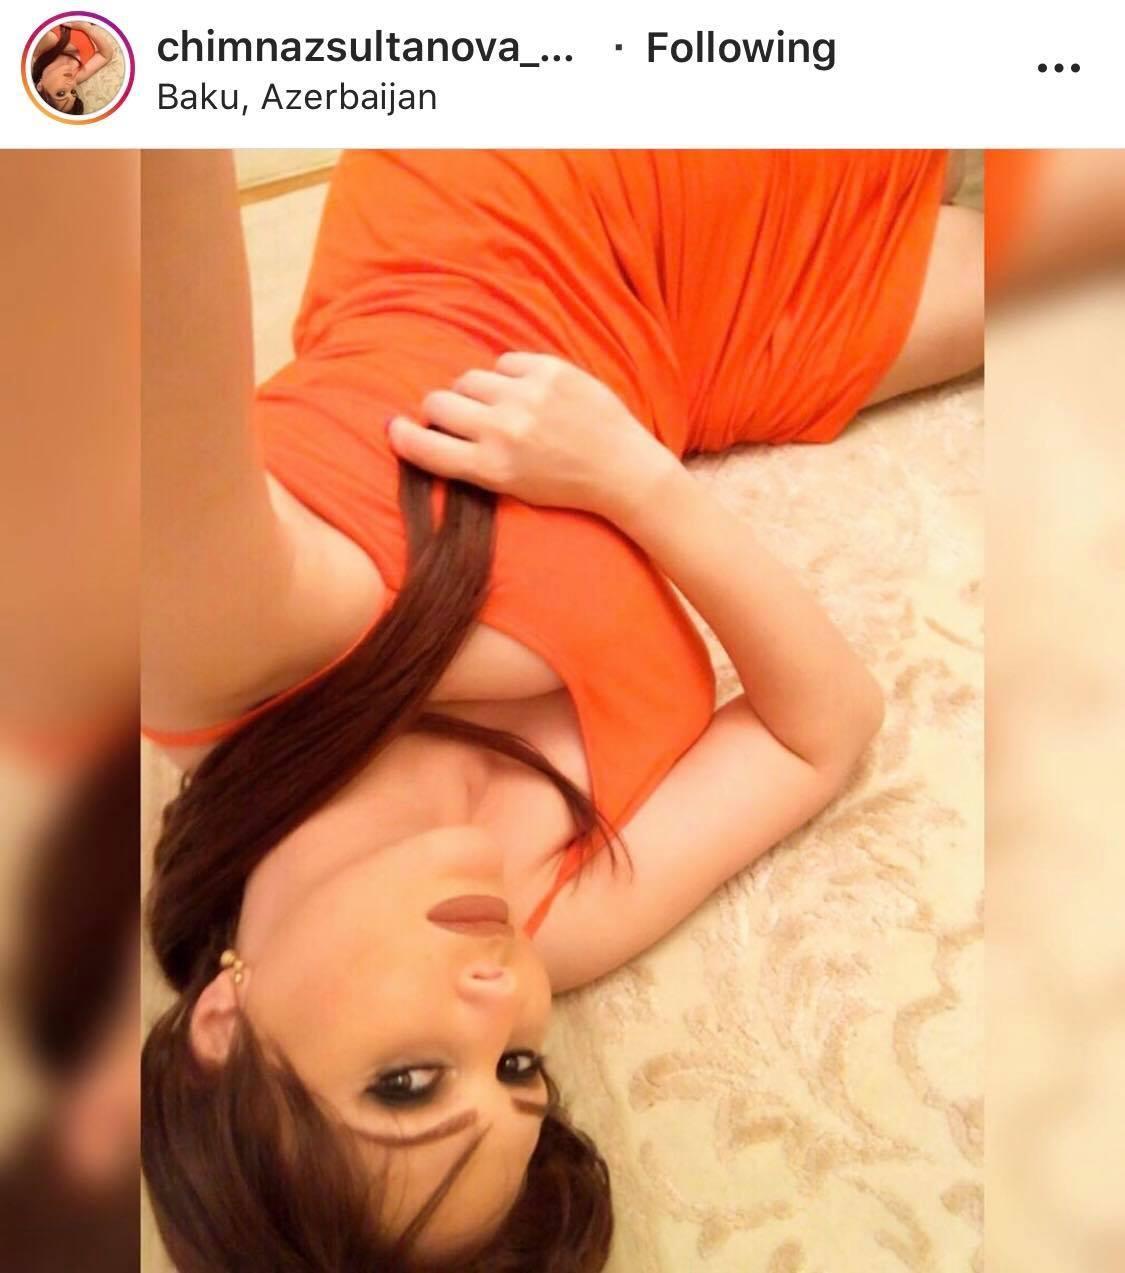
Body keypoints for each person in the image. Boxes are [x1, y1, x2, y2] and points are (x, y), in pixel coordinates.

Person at [141, 150, 983, 1270]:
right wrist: (631, 477)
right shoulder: (548, 914)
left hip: (528, 195)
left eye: (408, 1081)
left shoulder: (205, 657)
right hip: (705, 363)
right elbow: (822, 730)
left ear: (222, 1025)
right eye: (516, 1071)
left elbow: (123, 158)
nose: (502, 1006)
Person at [30, 21, 113, 115]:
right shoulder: (76, 76)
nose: (71, 85)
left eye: (61, 93)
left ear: (40, 86)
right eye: (73, 92)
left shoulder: (41, 46)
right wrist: (86, 27)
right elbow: (106, 55)